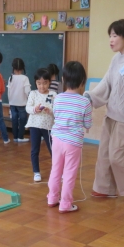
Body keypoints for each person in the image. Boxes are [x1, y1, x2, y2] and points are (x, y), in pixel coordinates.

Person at [87, 19, 124, 204]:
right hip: (111, 115)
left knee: (117, 155)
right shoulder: (116, 59)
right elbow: (107, 82)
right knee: (104, 154)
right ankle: (104, 188)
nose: (111, 40)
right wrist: (91, 96)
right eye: (110, 36)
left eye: (114, 36)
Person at [47, 61, 92, 213]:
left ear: (63, 80)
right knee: (69, 173)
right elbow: (87, 124)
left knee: (55, 169)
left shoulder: (58, 98)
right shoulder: (85, 101)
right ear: (82, 81)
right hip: (73, 142)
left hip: (57, 139)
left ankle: (52, 198)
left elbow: (56, 115)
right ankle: (65, 204)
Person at [26, 68, 56, 182]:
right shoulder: (33, 93)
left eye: (45, 83)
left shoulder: (53, 94)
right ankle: (36, 172)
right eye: (39, 83)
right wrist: (35, 109)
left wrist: (50, 110)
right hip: (34, 126)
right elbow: (28, 108)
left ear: (49, 82)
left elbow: (57, 109)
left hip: (48, 127)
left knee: (53, 150)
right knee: (35, 150)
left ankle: (57, 171)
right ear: (35, 83)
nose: (42, 86)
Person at [8, 58, 31, 143]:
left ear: (13, 68)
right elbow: (27, 91)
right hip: (22, 103)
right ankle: (20, 137)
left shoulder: (11, 78)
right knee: (23, 120)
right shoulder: (25, 78)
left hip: (12, 103)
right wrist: (30, 101)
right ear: (22, 68)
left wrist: (10, 102)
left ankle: (15, 137)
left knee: (14, 120)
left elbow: (9, 92)